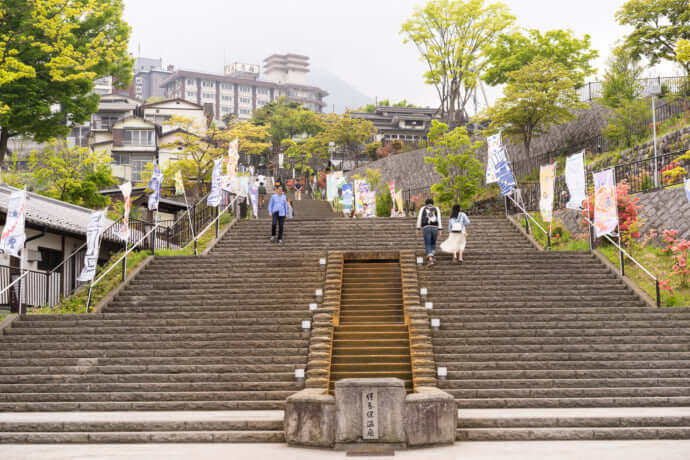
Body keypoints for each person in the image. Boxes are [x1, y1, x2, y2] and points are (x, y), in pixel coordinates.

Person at [416, 198, 442, 266]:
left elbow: (419, 218)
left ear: (426, 203)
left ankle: (430, 259)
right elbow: (439, 218)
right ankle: (432, 256)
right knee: (433, 243)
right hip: (435, 228)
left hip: (426, 227)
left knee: (428, 243)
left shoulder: (423, 208)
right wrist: (440, 229)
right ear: (432, 203)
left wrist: (418, 228)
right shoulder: (436, 208)